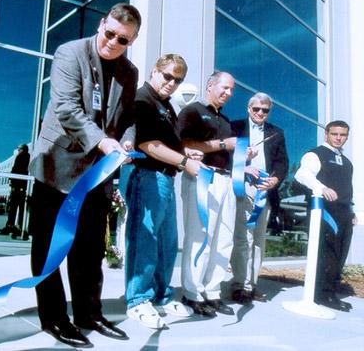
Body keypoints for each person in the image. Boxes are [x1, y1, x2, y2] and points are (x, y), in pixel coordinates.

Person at [28, 3, 140, 347]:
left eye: (123, 40)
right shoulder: (69, 53)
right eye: (109, 33)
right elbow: (67, 108)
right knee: (50, 249)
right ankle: (54, 318)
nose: (113, 43)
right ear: (101, 24)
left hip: (97, 175)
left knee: (90, 251)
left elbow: (127, 117)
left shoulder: (129, 72)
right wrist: (104, 142)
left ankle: (89, 313)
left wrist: (127, 139)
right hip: (57, 166)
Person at [124, 54, 200, 330]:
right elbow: (147, 144)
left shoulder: (167, 106)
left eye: (177, 80)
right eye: (167, 76)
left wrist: (184, 152)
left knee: (167, 241)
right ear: (155, 72)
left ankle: (161, 295)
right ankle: (137, 300)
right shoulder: (142, 99)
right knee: (144, 237)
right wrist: (184, 161)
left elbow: (167, 142)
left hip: (166, 178)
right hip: (148, 176)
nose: (171, 83)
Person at [177, 71, 242, 317]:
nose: (228, 93)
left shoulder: (224, 120)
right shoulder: (192, 111)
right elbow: (185, 145)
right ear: (210, 85)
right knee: (200, 236)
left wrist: (243, 159)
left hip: (226, 180)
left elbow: (226, 150)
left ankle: (212, 292)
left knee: (223, 238)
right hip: (203, 178)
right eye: (225, 88)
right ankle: (192, 293)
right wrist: (225, 144)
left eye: (232, 90)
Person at [229, 93, 289, 305]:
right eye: (256, 109)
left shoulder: (277, 133)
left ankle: (251, 285)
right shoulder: (234, 127)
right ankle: (238, 285)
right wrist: (242, 164)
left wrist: (275, 180)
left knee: (258, 240)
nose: (260, 113)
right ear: (248, 108)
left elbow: (282, 163)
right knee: (242, 238)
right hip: (243, 187)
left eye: (265, 110)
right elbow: (225, 156)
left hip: (265, 190)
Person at [294, 120, 356, 312]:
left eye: (343, 135)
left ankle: (331, 291)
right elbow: (302, 175)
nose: (338, 138)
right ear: (326, 134)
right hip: (325, 211)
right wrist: (322, 188)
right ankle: (323, 294)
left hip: (344, 212)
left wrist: (351, 210)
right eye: (335, 134)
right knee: (327, 252)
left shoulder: (346, 161)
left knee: (340, 253)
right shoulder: (316, 154)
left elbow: (347, 188)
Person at [0, 144, 30, 236]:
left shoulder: (20, 157)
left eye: (19, 148)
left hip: (17, 186)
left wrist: (12, 182)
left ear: (22, 149)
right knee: (21, 209)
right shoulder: (28, 157)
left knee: (13, 207)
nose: (18, 150)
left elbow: (16, 170)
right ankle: (19, 226)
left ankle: (10, 226)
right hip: (23, 187)